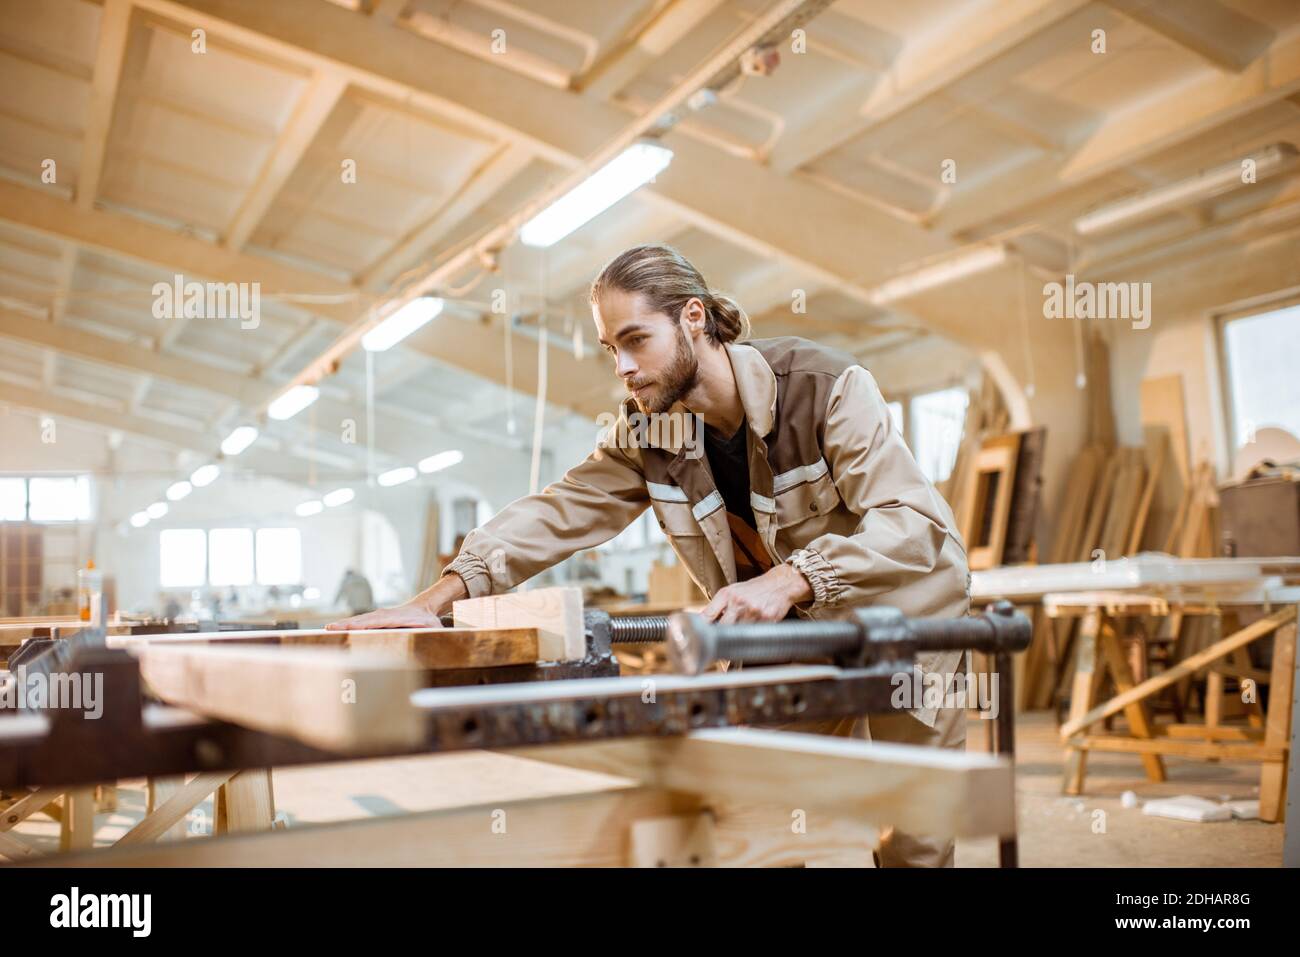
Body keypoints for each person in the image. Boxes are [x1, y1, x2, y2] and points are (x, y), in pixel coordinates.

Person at [330, 244, 971, 866]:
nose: (624, 368)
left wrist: (791, 579)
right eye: (613, 349)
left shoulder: (823, 386)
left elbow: (913, 524)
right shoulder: (650, 432)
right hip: (798, 635)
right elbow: (558, 511)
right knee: (759, 809)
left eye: (637, 340)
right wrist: (431, 603)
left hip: (909, 622)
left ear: (693, 317)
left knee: (912, 831)